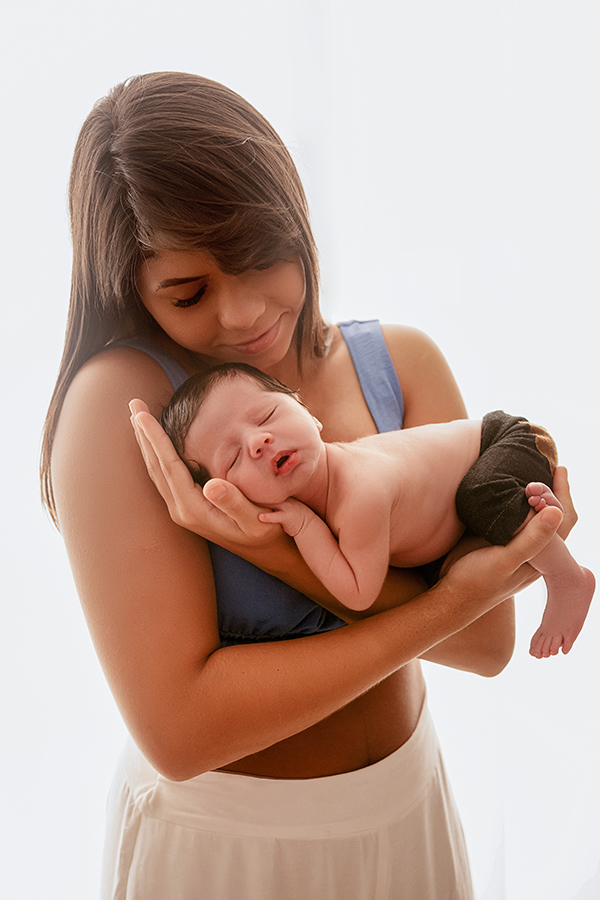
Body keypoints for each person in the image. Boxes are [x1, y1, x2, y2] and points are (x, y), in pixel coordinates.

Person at [41, 71, 572, 900]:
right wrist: (443, 598)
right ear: (134, 294)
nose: (243, 312)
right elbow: (182, 733)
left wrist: (280, 554)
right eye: (189, 294)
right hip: (228, 848)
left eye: (257, 256)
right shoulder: (127, 405)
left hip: (407, 814)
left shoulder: (400, 363)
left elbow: (486, 645)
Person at [159, 362, 593, 659]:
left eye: (268, 414)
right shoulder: (337, 484)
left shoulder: (360, 494)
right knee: (458, 560)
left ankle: (568, 577)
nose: (257, 441)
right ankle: (528, 521)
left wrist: (305, 525)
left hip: (508, 442)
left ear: (309, 414)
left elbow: (357, 592)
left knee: (481, 499)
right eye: (232, 458)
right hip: (487, 470)